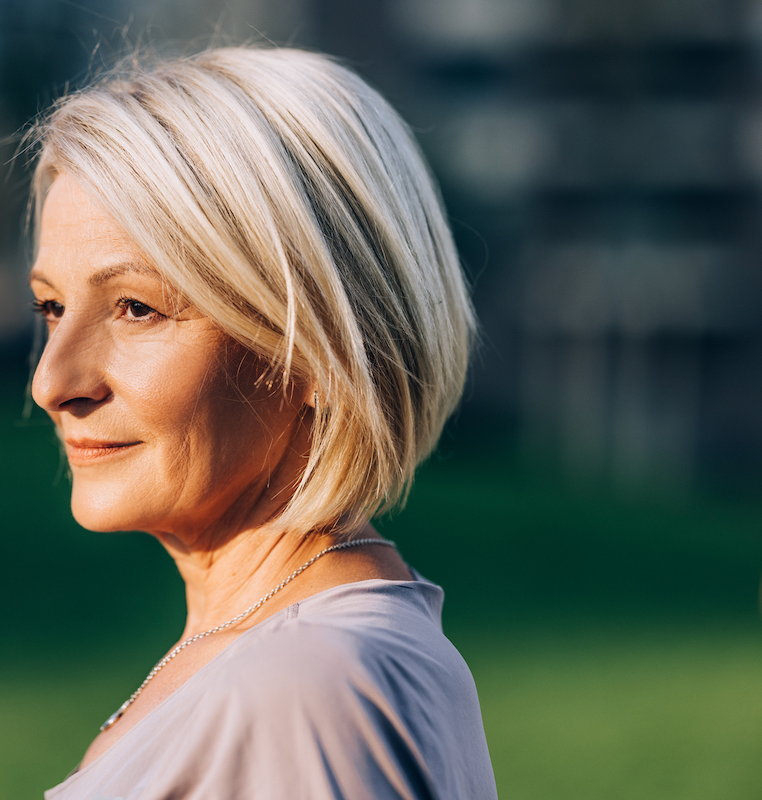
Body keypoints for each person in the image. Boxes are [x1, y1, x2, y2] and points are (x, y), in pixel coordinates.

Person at [25, 46, 497, 800]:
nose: (53, 382)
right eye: (52, 308)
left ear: (318, 347)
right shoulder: (289, 660)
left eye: (137, 308)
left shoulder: (311, 687)